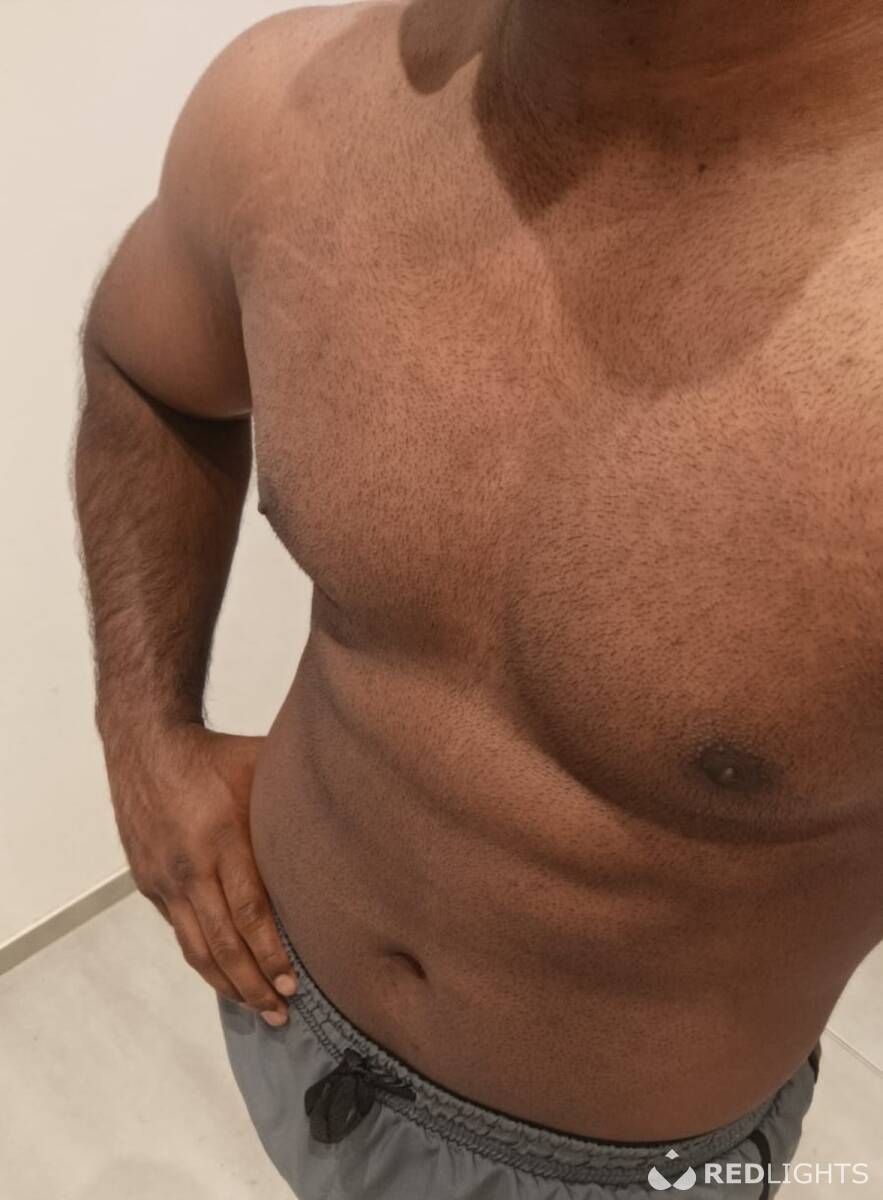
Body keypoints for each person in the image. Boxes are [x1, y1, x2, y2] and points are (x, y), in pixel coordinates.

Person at [74, 2, 883, 1196]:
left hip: (627, 1167)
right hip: (282, 1015)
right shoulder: (281, 116)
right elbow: (145, 372)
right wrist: (143, 733)